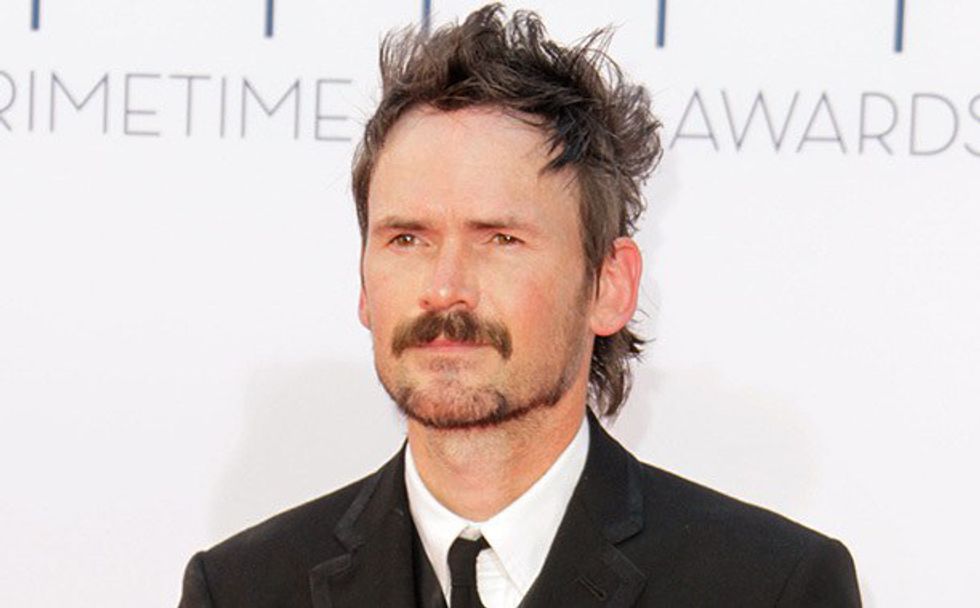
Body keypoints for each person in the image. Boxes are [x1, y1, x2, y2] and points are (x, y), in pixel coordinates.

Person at [178, 5, 861, 607]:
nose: (444, 287)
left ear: (609, 286)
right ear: (363, 282)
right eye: (407, 239)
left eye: (500, 239)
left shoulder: (770, 587)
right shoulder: (242, 590)